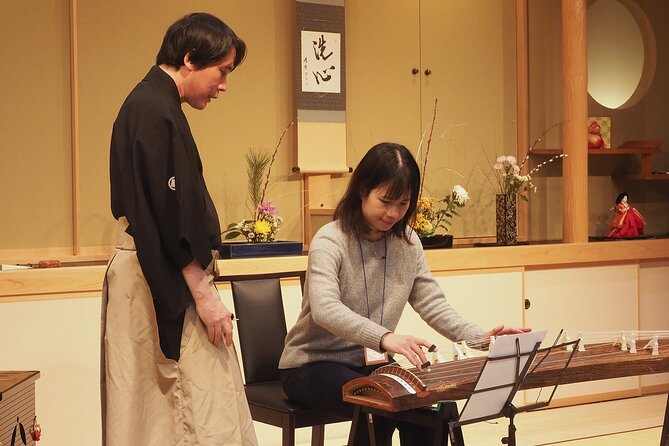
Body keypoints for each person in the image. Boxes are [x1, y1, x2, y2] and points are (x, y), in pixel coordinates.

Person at [278, 142, 530, 445]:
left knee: (432, 404)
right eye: (386, 201)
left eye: (403, 204)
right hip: (311, 365)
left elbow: (432, 303)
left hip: (370, 365)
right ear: (361, 191)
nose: (394, 213)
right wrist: (385, 338)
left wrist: (479, 337)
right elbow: (324, 307)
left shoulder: (408, 242)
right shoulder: (330, 240)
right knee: (382, 399)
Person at [102, 13, 257, 446]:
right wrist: (203, 293)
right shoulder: (152, 109)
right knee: (189, 407)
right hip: (158, 276)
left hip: (160, 272)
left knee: (177, 408)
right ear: (190, 58)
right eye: (222, 71)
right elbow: (167, 216)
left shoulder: (154, 104)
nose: (224, 84)